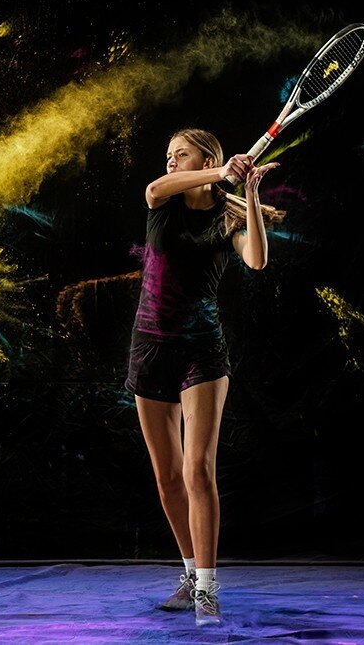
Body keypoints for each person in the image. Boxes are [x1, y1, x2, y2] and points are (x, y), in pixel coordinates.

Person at [125, 127, 282, 626]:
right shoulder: (162, 203)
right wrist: (222, 172)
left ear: (205, 155)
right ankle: (189, 574)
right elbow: (153, 188)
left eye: (180, 153)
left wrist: (250, 193)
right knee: (167, 477)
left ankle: (208, 591)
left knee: (197, 471)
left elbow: (257, 259)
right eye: (167, 154)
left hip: (203, 354)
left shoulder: (225, 218)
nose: (170, 161)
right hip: (149, 350)